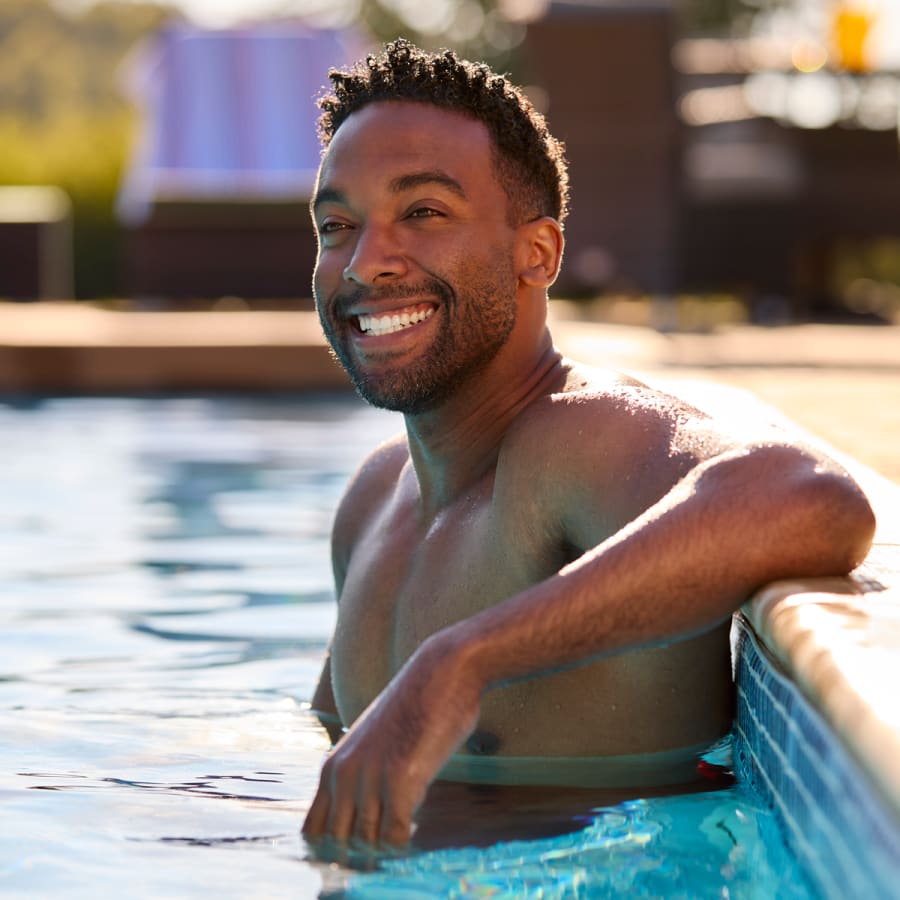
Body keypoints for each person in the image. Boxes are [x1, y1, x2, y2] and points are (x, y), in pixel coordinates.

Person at [301, 39, 875, 849]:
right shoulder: (372, 499)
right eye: (337, 225)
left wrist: (461, 663)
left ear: (537, 254)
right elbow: (329, 754)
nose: (366, 262)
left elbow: (812, 496)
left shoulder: (574, 444)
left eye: (423, 212)